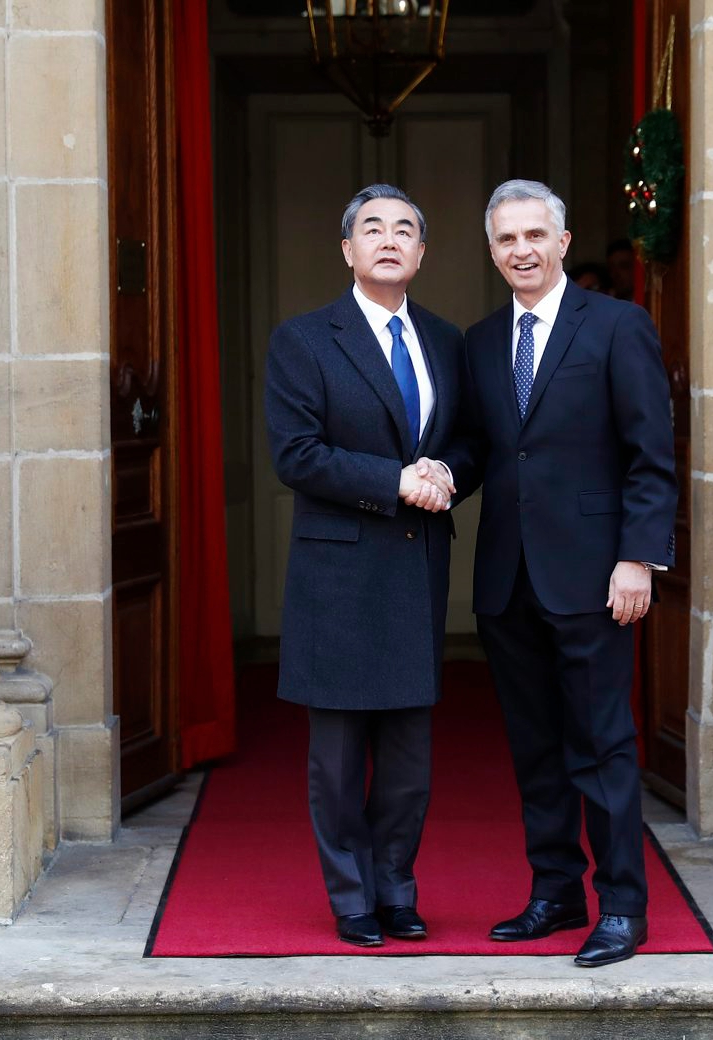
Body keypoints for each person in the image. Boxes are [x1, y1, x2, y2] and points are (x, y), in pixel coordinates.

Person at [435, 179, 678, 967]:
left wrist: (637, 557)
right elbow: (481, 445)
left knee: (602, 746)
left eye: (535, 235)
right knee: (534, 748)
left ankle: (623, 908)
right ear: (492, 249)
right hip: (507, 580)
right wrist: (438, 474)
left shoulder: (616, 326)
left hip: (595, 578)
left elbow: (650, 457)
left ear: (563, 242)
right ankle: (554, 891)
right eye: (506, 240)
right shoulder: (478, 342)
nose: (522, 251)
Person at [264, 184, 461, 948]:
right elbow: (296, 453)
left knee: (409, 760)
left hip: (415, 570)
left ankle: (397, 888)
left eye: (404, 229)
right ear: (347, 249)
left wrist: (446, 470)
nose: (388, 239)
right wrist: (393, 480)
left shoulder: (445, 340)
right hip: (337, 578)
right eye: (371, 228)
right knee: (340, 761)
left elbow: (467, 439)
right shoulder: (305, 340)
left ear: (420, 253)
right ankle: (351, 898)